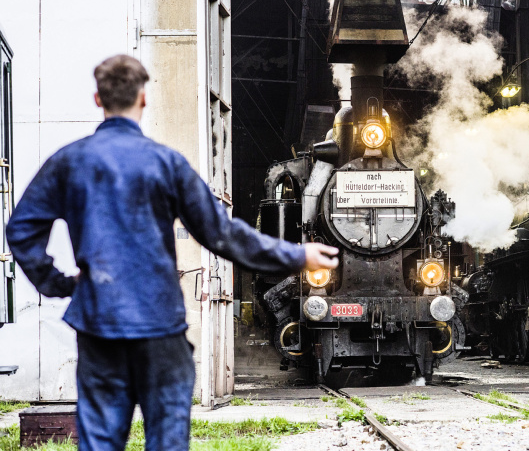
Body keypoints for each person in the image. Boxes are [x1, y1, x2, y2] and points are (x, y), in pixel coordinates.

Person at [6, 55, 339, 451]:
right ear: (143, 98)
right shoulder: (165, 164)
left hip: (99, 329)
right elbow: (223, 235)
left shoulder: (70, 162)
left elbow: (21, 230)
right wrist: (298, 257)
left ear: (98, 99)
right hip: (160, 329)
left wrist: (61, 284)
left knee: (98, 445)